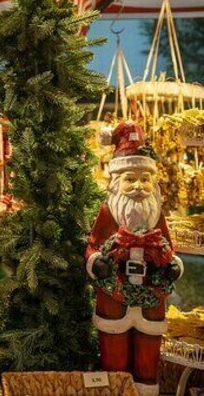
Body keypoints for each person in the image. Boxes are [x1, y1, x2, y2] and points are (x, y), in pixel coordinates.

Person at [86, 120, 183, 396]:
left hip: (151, 300)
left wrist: (173, 266)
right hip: (114, 299)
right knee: (114, 355)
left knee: (148, 356)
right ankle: (116, 390)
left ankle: (146, 389)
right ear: (117, 182)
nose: (138, 187)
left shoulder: (155, 214)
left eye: (144, 180)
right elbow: (93, 245)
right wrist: (96, 262)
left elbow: (168, 247)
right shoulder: (109, 212)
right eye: (130, 179)